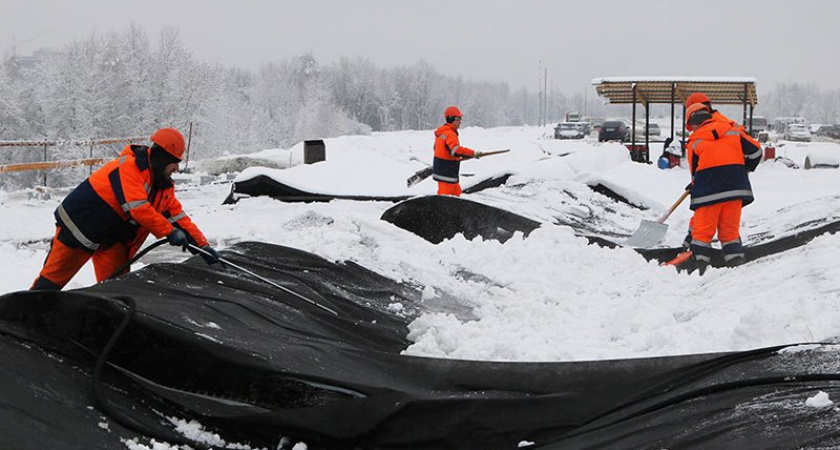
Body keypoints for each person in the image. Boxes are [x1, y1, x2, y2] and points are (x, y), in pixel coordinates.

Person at [31, 127, 219, 290]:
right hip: (78, 230)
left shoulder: (162, 187)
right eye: (174, 163)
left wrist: (202, 246)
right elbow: (137, 208)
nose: (176, 168)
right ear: (162, 159)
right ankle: (17, 320)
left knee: (117, 289)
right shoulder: (130, 168)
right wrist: (169, 231)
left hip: (111, 239)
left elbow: (178, 217)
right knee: (49, 285)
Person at [679, 93, 763, 252]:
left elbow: (696, 167)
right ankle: (730, 255)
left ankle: (694, 246)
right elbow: (754, 150)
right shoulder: (728, 124)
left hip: (711, 184)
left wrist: (697, 182)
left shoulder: (700, 133)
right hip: (735, 184)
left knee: (706, 212)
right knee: (728, 229)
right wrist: (742, 169)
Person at [433, 106, 485, 196]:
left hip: (445, 171)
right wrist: (473, 153)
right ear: (451, 119)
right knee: (445, 200)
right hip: (447, 174)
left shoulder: (442, 132)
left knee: (457, 196)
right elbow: (456, 151)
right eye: (458, 119)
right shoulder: (450, 134)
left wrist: (456, 157)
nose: (460, 121)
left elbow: (438, 149)